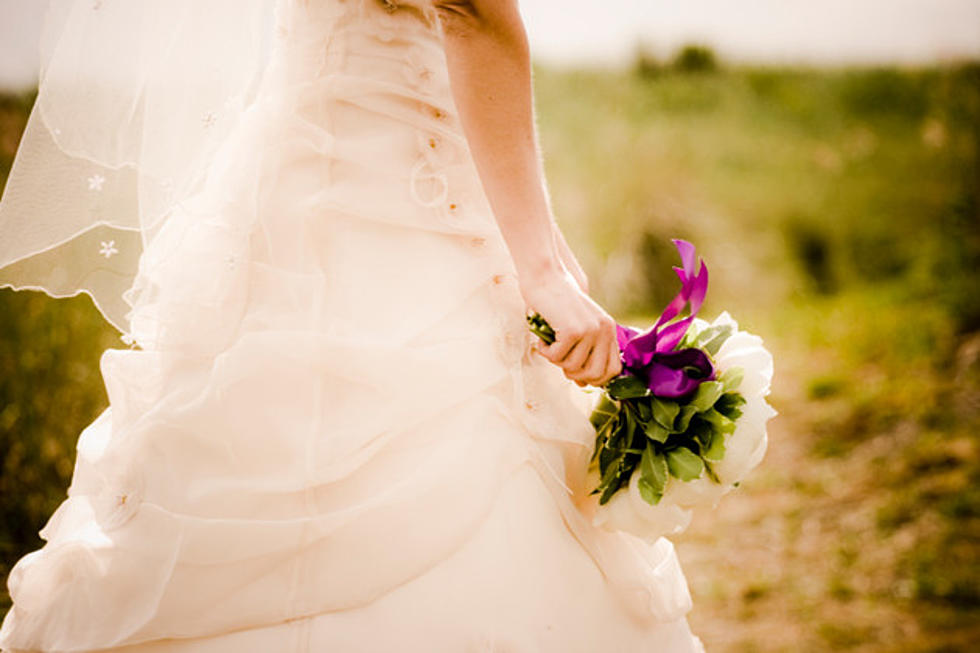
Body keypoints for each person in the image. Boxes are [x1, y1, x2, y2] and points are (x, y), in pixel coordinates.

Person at [0, 0, 704, 650]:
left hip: (290, 190)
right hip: (407, 206)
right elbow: (469, 13)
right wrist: (540, 266)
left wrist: (536, 237)